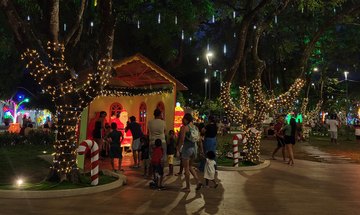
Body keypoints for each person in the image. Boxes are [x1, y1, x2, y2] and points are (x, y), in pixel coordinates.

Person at [177, 113, 202, 192]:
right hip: (194, 149)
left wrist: (178, 149)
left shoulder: (185, 128)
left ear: (186, 119)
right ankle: (198, 181)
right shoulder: (196, 128)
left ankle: (188, 187)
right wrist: (201, 150)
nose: (182, 121)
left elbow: (182, 140)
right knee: (190, 166)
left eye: (183, 119)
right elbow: (199, 139)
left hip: (187, 149)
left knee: (186, 168)